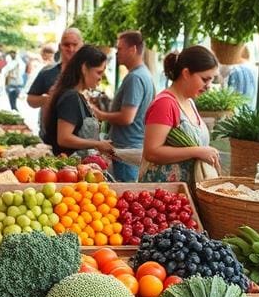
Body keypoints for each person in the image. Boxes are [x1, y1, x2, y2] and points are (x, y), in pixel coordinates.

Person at [140, 46, 222, 185]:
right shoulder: (165, 104)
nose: (208, 86)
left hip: (185, 192)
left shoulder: (189, 102)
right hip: (164, 194)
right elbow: (152, 152)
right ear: (186, 73)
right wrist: (197, 151)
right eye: (204, 79)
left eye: (211, 80)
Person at [90, 30, 155, 182]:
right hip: (132, 145)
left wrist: (100, 115)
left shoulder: (135, 77)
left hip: (127, 148)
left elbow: (127, 117)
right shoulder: (144, 74)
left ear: (133, 49)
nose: (117, 53)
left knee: (127, 190)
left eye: (120, 49)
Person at [44, 44, 113, 157]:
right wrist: (97, 144)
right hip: (67, 167)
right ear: (84, 68)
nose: (101, 78)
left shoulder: (77, 95)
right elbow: (64, 138)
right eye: (99, 72)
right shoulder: (71, 97)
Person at [28, 28, 83, 141]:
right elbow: (30, 100)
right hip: (50, 138)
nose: (71, 49)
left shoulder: (89, 73)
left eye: (75, 44)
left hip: (81, 140)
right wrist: (48, 99)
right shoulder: (47, 72)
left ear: (82, 46)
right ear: (60, 46)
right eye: (66, 44)